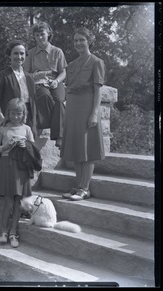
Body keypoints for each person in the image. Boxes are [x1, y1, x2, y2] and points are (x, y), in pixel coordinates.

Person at [60, 27, 106, 201]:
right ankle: (78, 185)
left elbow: (97, 90)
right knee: (76, 148)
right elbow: (67, 88)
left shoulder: (96, 62)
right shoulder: (71, 65)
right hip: (72, 108)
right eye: (76, 40)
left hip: (87, 107)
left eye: (82, 40)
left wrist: (94, 113)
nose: (78, 43)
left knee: (87, 148)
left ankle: (85, 189)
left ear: (89, 41)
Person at [0, 98, 41, 248]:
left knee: (17, 202)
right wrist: (5, 147)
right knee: (7, 202)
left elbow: (34, 148)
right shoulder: (3, 129)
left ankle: (13, 232)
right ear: (8, 113)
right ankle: (3, 231)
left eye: (19, 113)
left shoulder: (26, 129)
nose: (16, 116)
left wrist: (25, 145)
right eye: (13, 113)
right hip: (6, 166)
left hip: (21, 168)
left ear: (23, 114)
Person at [0, 39, 37, 180]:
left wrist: (33, 124)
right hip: (9, 121)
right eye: (15, 53)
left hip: (26, 119)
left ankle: (22, 189)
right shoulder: (2, 76)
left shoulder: (29, 77)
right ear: (9, 55)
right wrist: (3, 120)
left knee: (25, 154)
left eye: (22, 54)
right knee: (6, 155)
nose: (19, 57)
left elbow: (32, 102)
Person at [23, 22, 67, 148]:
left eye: (42, 34)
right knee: (44, 96)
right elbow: (25, 73)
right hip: (38, 82)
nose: (40, 38)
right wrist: (37, 76)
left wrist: (57, 81)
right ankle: (56, 128)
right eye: (37, 35)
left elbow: (63, 72)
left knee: (59, 101)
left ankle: (59, 136)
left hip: (55, 81)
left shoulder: (57, 51)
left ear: (48, 34)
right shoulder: (30, 54)